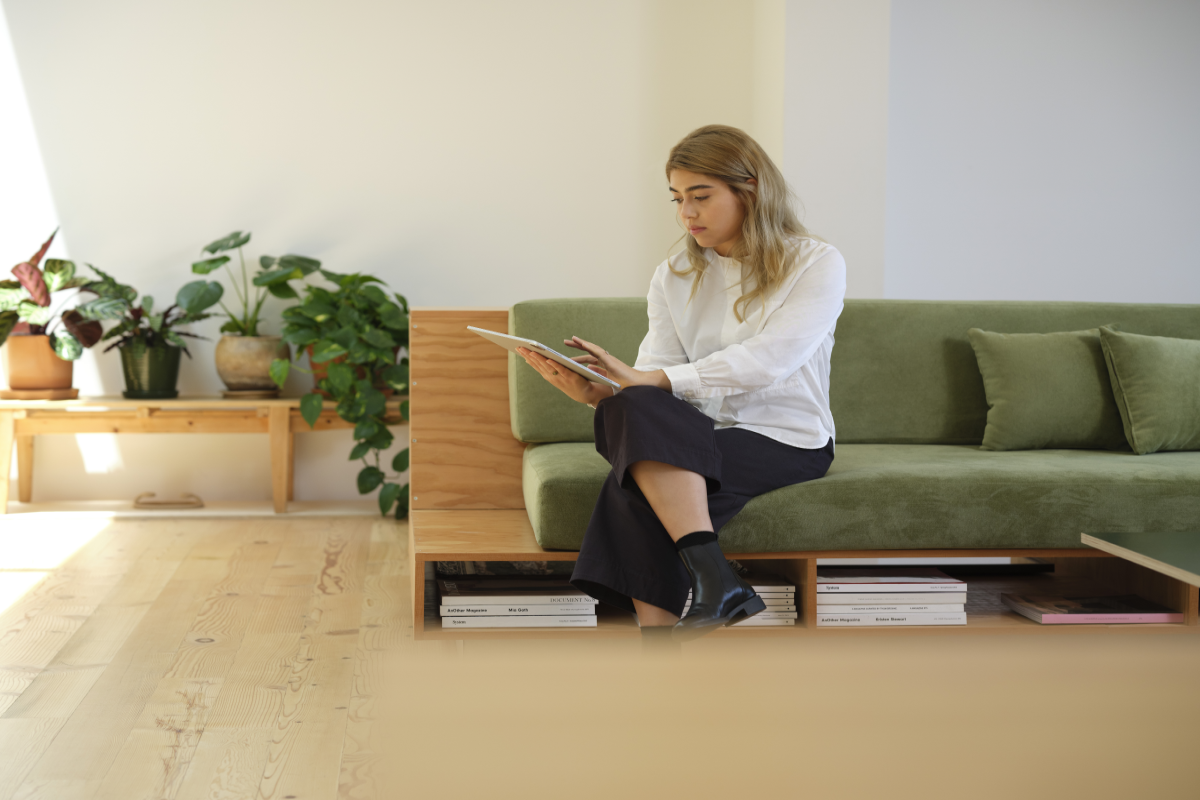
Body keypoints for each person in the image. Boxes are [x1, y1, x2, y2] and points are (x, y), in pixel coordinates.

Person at [517, 124, 846, 641]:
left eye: (700, 197)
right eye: (677, 199)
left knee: (634, 485)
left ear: (750, 190)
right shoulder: (673, 273)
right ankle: (716, 583)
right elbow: (657, 371)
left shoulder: (814, 262)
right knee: (626, 408)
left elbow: (770, 360)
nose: (685, 214)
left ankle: (661, 647)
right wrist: (602, 392)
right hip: (695, 432)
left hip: (786, 436)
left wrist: (650, 381)